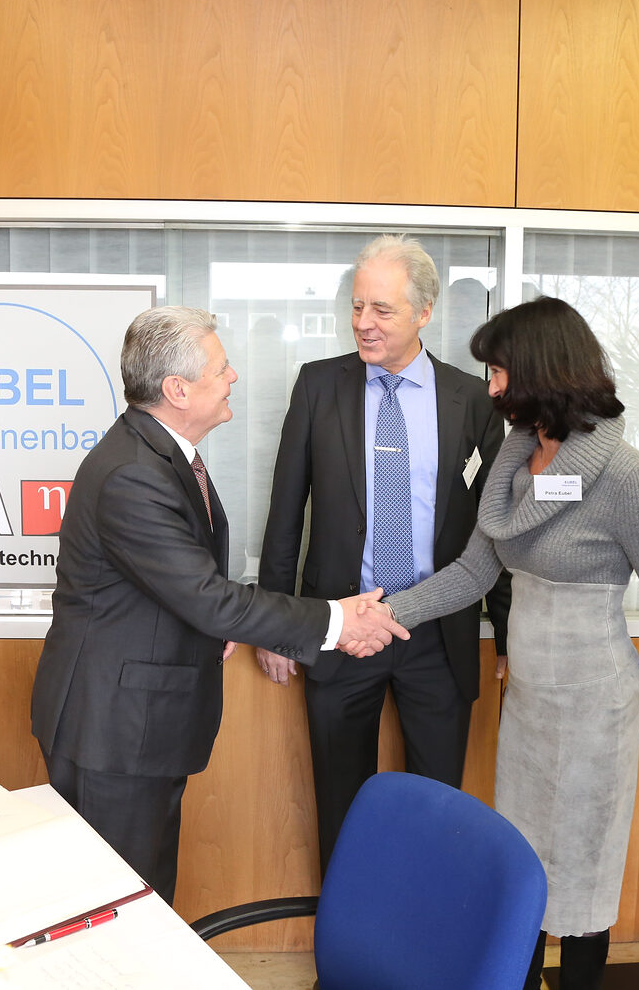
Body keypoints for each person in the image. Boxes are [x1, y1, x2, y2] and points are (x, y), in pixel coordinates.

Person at [29, 305, 407, 904]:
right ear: (178, 390)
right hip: (113, 729)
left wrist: (214, 627)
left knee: (141, 898)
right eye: (221, 368)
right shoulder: (133, 474)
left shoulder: (163, 455)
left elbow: (180, 587)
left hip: (137, 722)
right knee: (119, 915)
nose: (233, 377)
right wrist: (337, 620)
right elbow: (205, 595)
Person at [380, 297, 639, 990]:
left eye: (498, 372)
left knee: (583, 876)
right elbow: (472, 571)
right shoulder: (516, 460)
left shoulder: (622, 474)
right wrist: (385, 612)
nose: (490, 388)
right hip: (530, 703)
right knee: (521, 869)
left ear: (542, 373)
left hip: (597, 702)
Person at [258, 234, 511, 872]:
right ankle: (347, 962)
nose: (363, 324)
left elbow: (498, 526)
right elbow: (287, 507)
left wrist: (507, 637)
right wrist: (276, 621)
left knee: (437, 808)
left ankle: (425, 952)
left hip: (437, 630)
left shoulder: (472, 401)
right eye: (357, 306)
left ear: (425, 313)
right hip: (342, 626)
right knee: (343, 806)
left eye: (383, 310)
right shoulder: (319, 387)